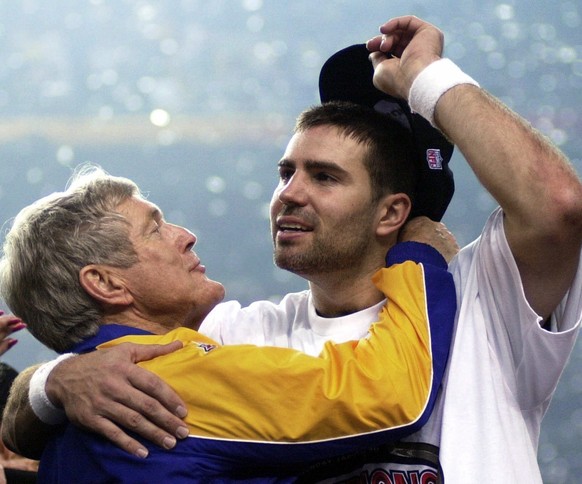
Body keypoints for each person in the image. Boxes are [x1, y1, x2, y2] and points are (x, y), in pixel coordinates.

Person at [4, 13, 582, 482]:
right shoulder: (233, 335)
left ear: (392, 213)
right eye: (286, 172)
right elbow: (86, 364)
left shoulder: (483, 295)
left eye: (324, 177)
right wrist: (55, 382)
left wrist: (426, 77)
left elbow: (559, 202)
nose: (289, 194)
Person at [0, 166, 457, 482]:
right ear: (105, 283)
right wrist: (419, 258)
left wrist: (46, 382)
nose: (185, 235)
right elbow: (390, 394)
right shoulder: (168, 376)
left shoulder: (73, 407)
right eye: (155, 228)